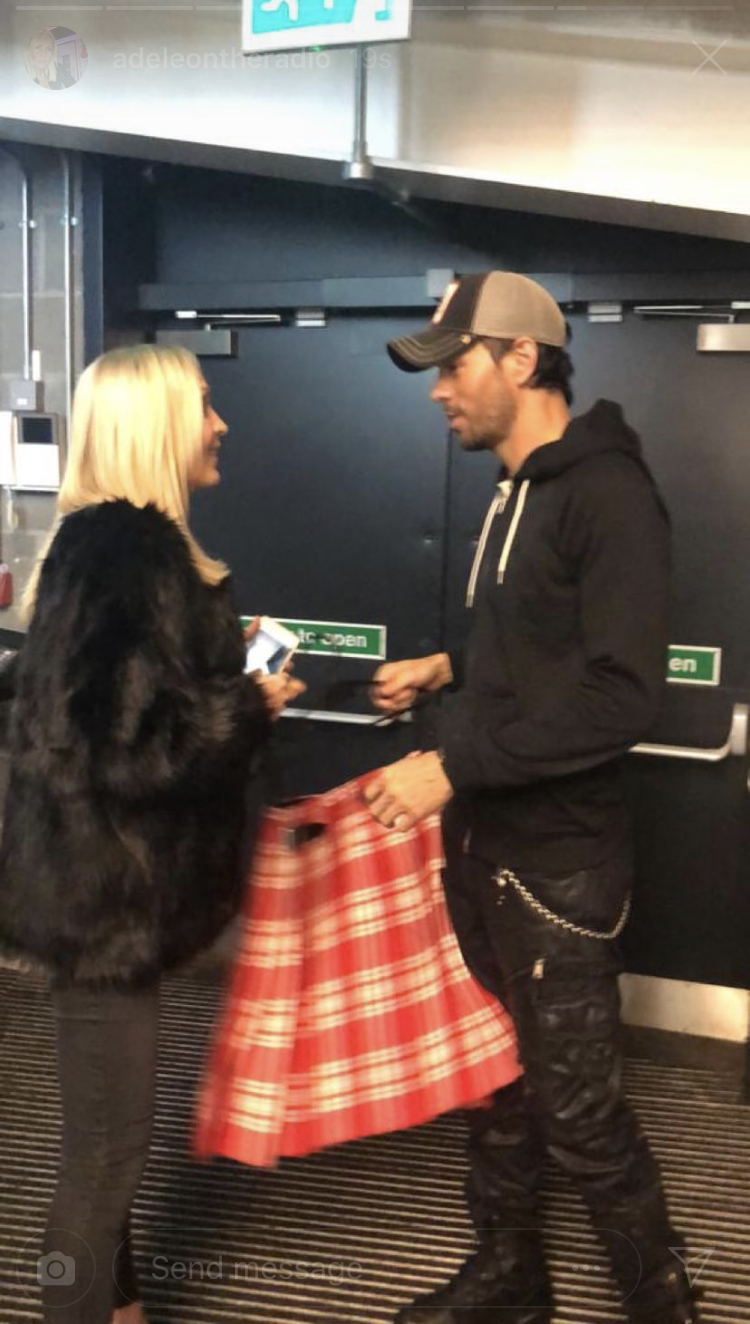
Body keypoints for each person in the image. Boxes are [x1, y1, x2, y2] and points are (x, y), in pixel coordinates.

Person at [364, 272, 699, 1324]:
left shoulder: (608, 494)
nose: (437, 391)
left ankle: (662, 1300)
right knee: (494, 1079)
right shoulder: (518, 489)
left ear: (520, 358)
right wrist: (447, 667)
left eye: (453, 365)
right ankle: (513, 1276)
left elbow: (619, 696)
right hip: (483, 848)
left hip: (558, 867)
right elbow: (538, 646)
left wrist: (453, 766)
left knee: (579, 1111)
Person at [0, 344, 304, 1324]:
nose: (220, 424)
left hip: (101, 895)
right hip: (107, 906)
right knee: (104, 1157)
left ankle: (117, 1307)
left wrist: (216, 675)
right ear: (156, 422)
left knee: (104, 1149)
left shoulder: (105, 548)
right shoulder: (128, 552)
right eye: (204, 404)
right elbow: (123, 744)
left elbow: (82, 706)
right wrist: (249, 704)